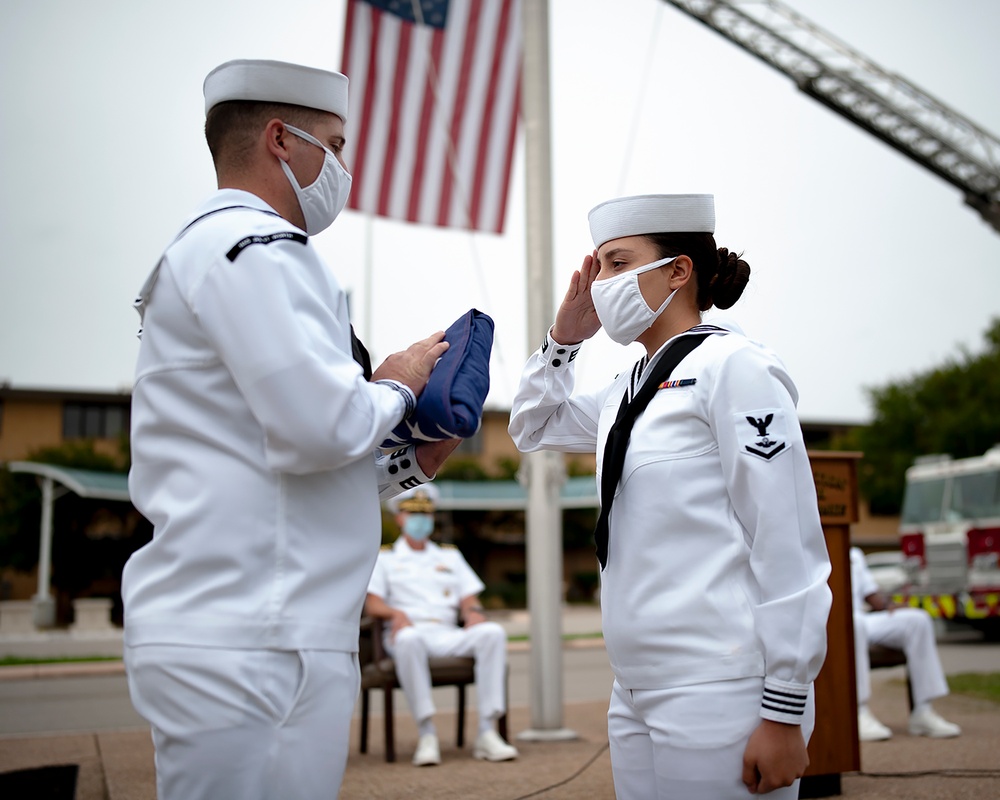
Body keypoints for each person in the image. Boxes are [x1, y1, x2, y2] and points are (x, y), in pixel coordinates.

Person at [121, 59, 461, 800]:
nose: (342, 165)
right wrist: (400, 383)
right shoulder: (256, 247)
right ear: (281, 139)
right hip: (254, 636)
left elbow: (290, 463)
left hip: (260, 624)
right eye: (333, 144)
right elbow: (319, 427)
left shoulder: (222, 250)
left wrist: (413, 465)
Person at [508, 194, 832, 799]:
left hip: (720, 683)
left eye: (616, 262)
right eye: (599, 265)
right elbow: (532, 424)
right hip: (634, 687)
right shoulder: (627, 389)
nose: (598, 284)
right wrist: (563, 340)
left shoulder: (734, 368)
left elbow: (786, 538)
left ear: (678, 270)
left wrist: (785, 707)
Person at [365, 483, 518, 766]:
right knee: (409, 640)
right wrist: (395, 613)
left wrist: (473, 612)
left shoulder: (449, 555)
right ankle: (427, 734)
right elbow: (372, 603)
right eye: (413, 514)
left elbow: (469, 598)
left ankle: (487, 731)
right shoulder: (385, 557)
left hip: (447, 633)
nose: (420, 520)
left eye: (425, 514)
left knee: (492, 633)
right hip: (408, 634)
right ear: (399, 517)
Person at [850, 547, 961, 741]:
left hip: (862, 617)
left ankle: (923, 711)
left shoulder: (854, 554)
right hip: (832, 622)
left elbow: (871, 594)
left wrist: (888, 605)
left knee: (917, 620)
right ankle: (858, 712)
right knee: (854, 624)